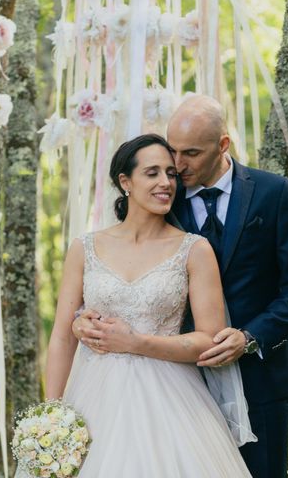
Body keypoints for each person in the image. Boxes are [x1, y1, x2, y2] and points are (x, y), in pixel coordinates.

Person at [73, 95, 288, 478]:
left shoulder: (273, 193)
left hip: (259, 382)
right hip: (175, 382)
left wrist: (250, 336)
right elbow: (118, 268)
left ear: (223, 145)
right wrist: (82, 318)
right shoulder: (161, 193)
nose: (177, 167)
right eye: (173, 151)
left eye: (191, 153)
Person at [46, 133, 251, 476]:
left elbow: (208, 340)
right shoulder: (85, 247)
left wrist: (136, 343)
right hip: (95, 395)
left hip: (173, 402)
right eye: (152, 173)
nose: (166, 183)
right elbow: (62, 336)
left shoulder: (194, 250)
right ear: (125, 182)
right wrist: (51, 414)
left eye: (171, 174)